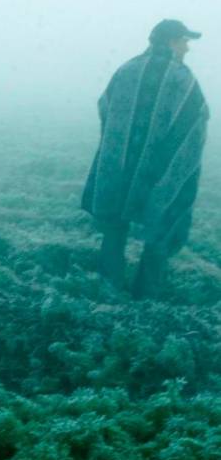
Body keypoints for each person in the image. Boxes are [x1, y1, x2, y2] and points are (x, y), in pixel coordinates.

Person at [81, 19, 210, 299]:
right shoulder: (181, 77)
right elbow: (195, 121)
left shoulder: (125, 70)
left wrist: (120, 146)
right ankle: (145, 299)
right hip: (160, 173)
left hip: (117, 167)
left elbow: (105, 106)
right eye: (184, 41)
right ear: (171, 42)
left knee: (114, 230)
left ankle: (108, 292)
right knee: (160, 232)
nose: (187, 48)